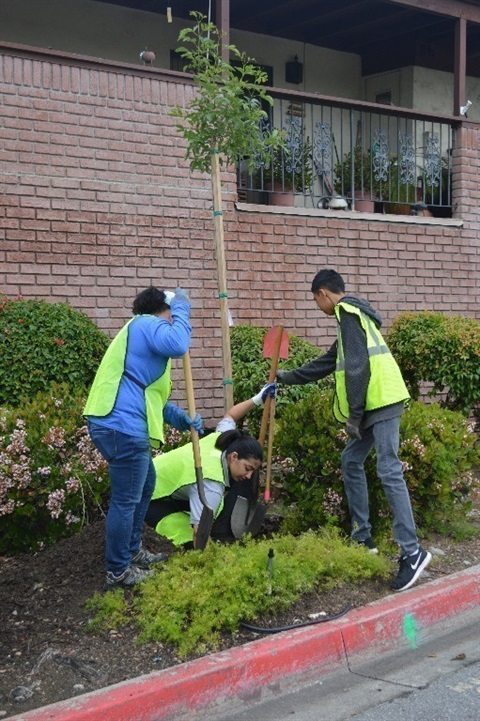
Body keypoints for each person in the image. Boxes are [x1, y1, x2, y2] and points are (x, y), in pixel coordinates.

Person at [276, 269, 431, 592]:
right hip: (375, 405)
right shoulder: (354, 317)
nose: (318, 306)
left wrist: (354, 417)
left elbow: (358, 368)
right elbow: (329, 361)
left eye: (316, 300)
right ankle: (362, 536)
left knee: (389, 470)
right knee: (351, 460)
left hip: (382, 403)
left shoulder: (348, 314)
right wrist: (285, 378)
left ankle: (412, 551)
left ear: (323, 294)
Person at [84, 286, 202, 589]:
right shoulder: (147, 323)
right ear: (164, 309)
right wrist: (183, 307)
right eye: (172, 313)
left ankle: (131, 552)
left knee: (145, 483)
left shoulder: (143, 342)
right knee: (126, 499)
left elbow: (155, 401)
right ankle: (119, 570)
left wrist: (183, 419)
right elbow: (179, 342)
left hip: (116, 422)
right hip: (120, 424)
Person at [145, 383, 277, 548]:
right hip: (146, 496)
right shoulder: (211, 483)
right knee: (185, 537)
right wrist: (212, 559)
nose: (248, 475)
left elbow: (231, 416)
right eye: (247, 468)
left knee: (203, 516)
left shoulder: (223, 439)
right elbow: (199, 533)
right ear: (234, 457)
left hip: (166, 484)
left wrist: (259, 399)